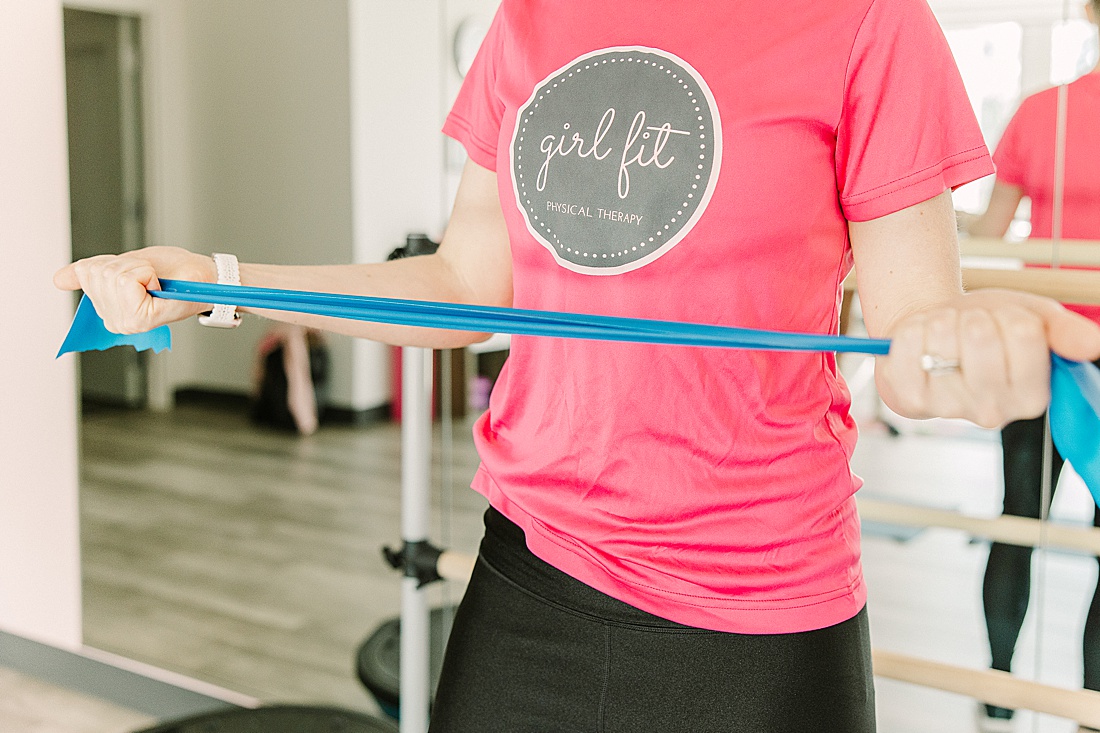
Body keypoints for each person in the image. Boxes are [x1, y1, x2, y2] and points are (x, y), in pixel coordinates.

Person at [54, 1, 1100, 730]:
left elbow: (917, 344)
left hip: (756, 612)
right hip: (531, 581)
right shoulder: (532, 17)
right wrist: (225, 280)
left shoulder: (867, 19)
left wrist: (976, 355)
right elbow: (466, 282)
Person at [965, 2, 1100, 730]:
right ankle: (1084, 709)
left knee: (1019, 516)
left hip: (1043, 344)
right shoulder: (1039, 112)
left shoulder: (1044, 112)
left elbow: (988, 237)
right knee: (1030, 521)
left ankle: (998, 688)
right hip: (1045, 353)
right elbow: (986, 241)